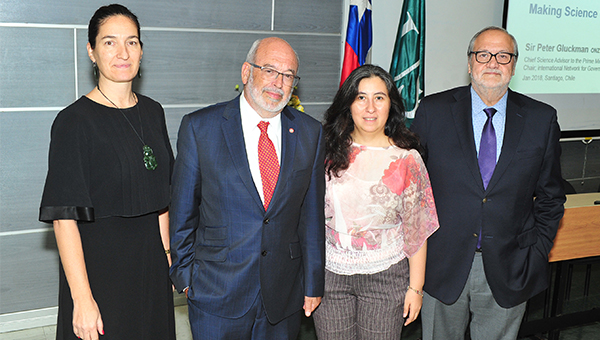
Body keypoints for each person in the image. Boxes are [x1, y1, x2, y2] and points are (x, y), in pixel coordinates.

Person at [410, 26, 566, 340]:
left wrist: (536, 253)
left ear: (514, 64)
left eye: (503, 55)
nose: (493, 62)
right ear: (469, 63)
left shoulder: (541, 119)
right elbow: (412, 191)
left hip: (510, 266)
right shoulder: (433, 112)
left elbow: (551, 196)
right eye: (483, 55)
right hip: (441, 265)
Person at [169, 37, 325, 340]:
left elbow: (312, 216)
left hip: (283, 296)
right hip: (215, 294)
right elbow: (182, 212)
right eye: (269, 70)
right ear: (246, 72)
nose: (279, 82)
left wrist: (313, 283)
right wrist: (185, 277)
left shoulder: (310, 132)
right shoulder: (201, 127)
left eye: (288, 74)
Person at [39, 4, 175, 340]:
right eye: (109, 42)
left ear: (141, 50)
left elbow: (162, 199)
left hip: (149, 269)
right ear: (92, 51)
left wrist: (168, 257)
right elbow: (64, 218)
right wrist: (81, 299)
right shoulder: (73, 122)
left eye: (132, 42)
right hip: (99, 272)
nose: (122, 52)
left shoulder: (154, 112)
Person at [312, 64, 440, 339]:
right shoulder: (324, 152)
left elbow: (417, 230)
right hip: (330, 276)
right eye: (361, 97)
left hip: (385, 277)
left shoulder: (407, 159)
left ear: (390, 105)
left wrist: (415, 289)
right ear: (348, 104)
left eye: (379, 97)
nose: (370, 107)